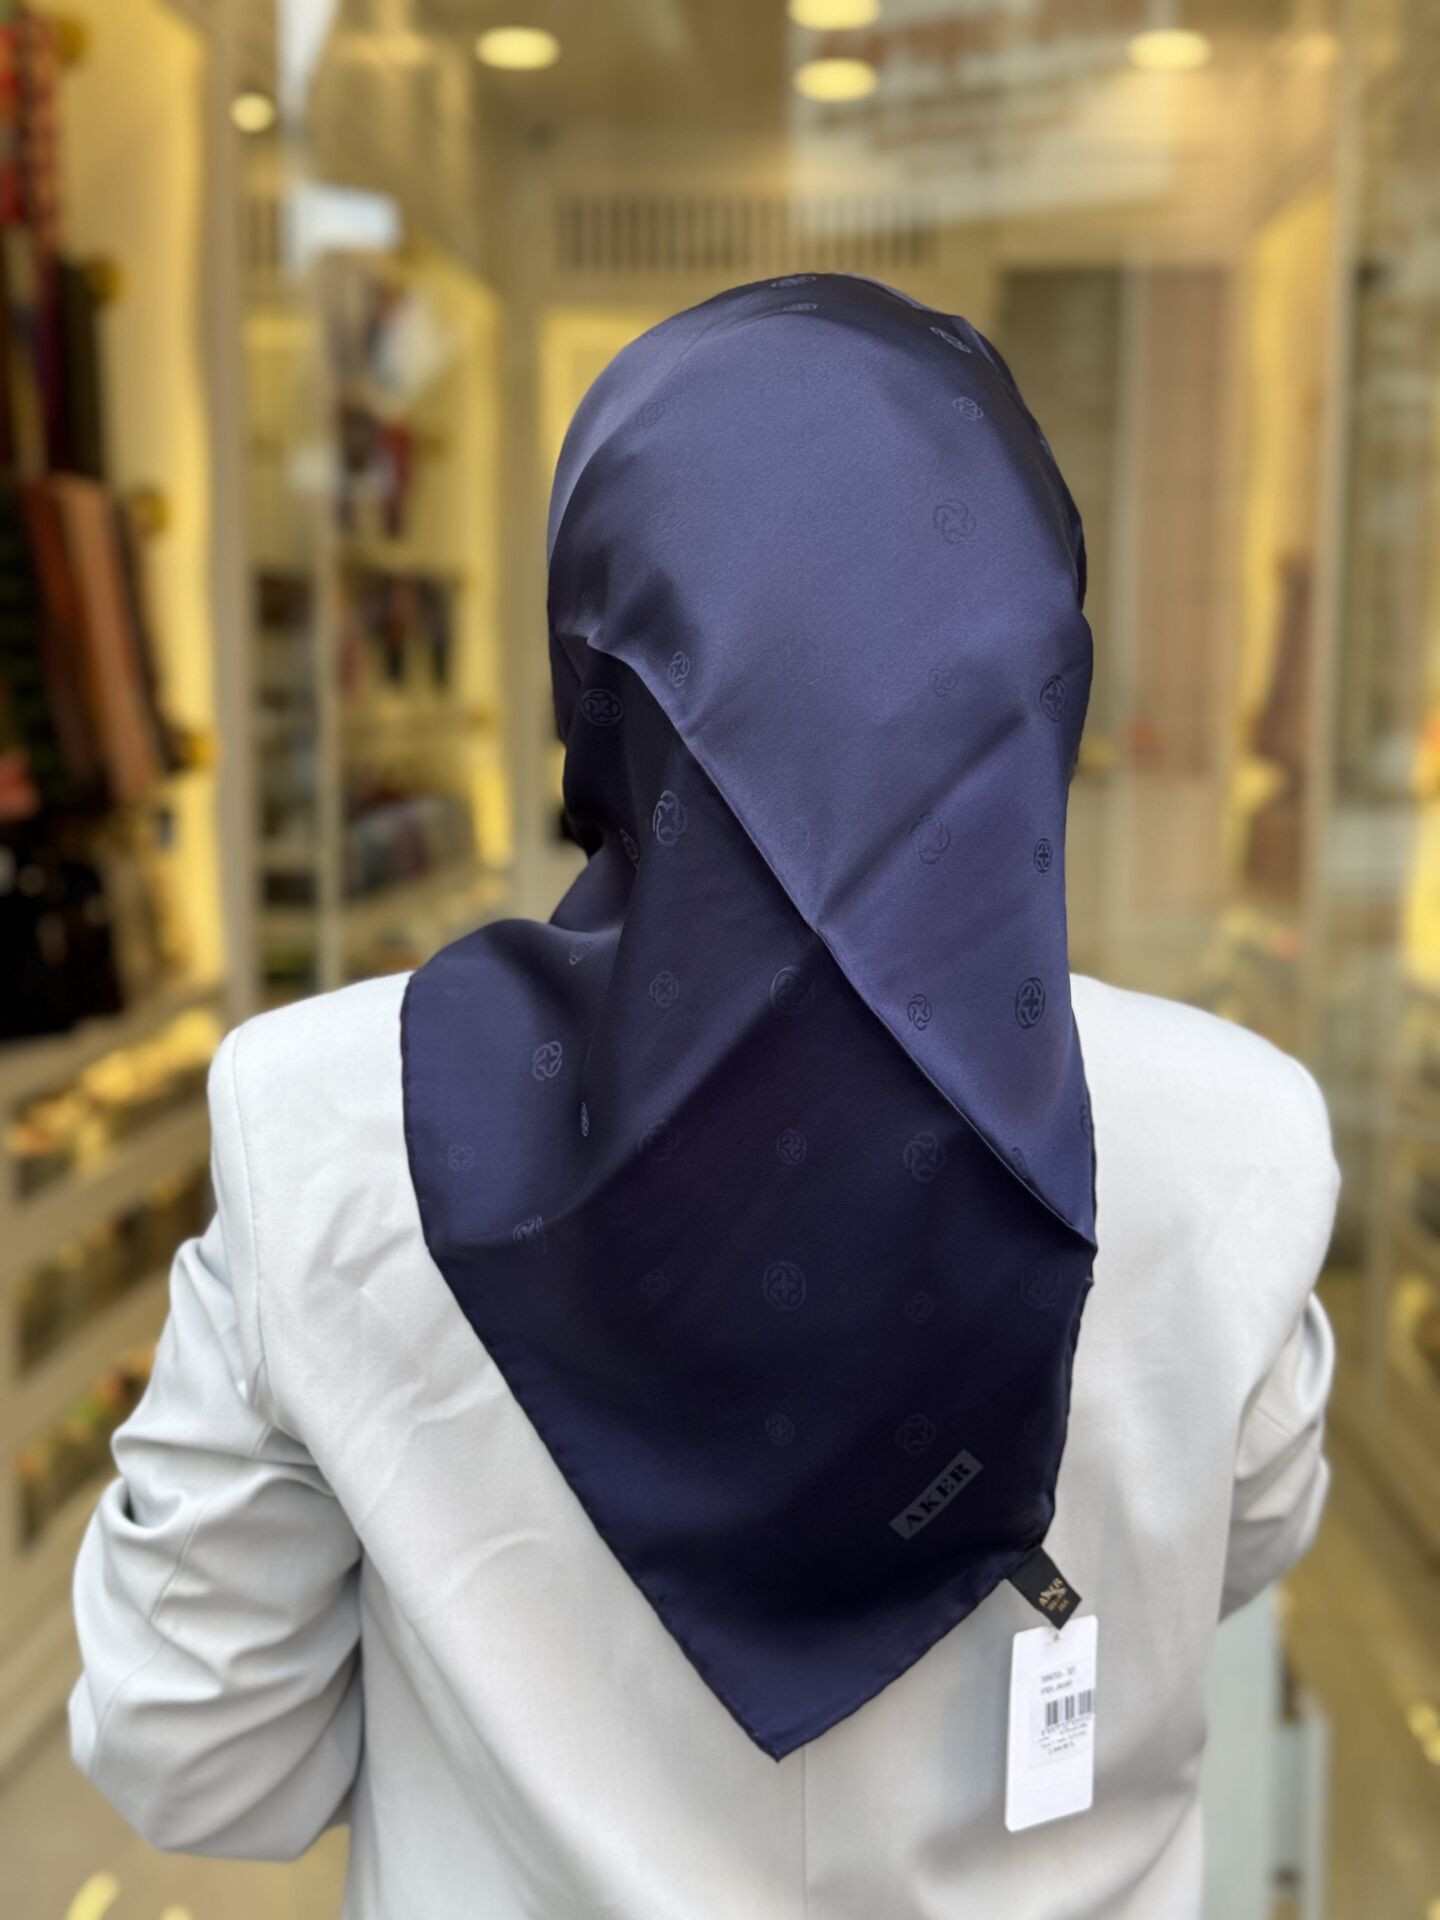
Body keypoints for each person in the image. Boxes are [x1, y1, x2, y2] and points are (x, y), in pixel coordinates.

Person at [68, 274, 1339, 1919]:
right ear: (1037, 672)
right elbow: (1237, 1552)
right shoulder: (1236, 1139)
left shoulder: (328, 1122)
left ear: (596, 662)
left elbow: (197, 1751)